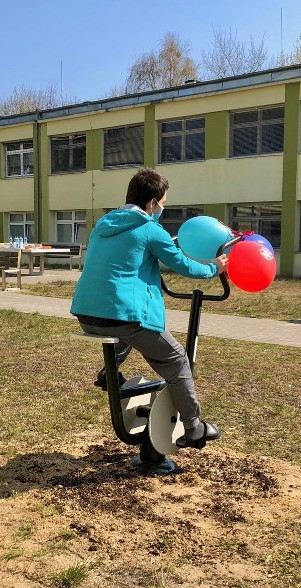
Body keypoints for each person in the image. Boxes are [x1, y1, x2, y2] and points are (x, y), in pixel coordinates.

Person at [70, 168, 228, 449]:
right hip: (119, 316)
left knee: (127, 332)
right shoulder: (150, 230)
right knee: (177, 358)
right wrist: (214, 269)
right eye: (163, 202)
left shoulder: (104, 223)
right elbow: (183, 265)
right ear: (152, 202)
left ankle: (109, 373)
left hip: (86, 314)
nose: (163, 208)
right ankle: (193, 428)